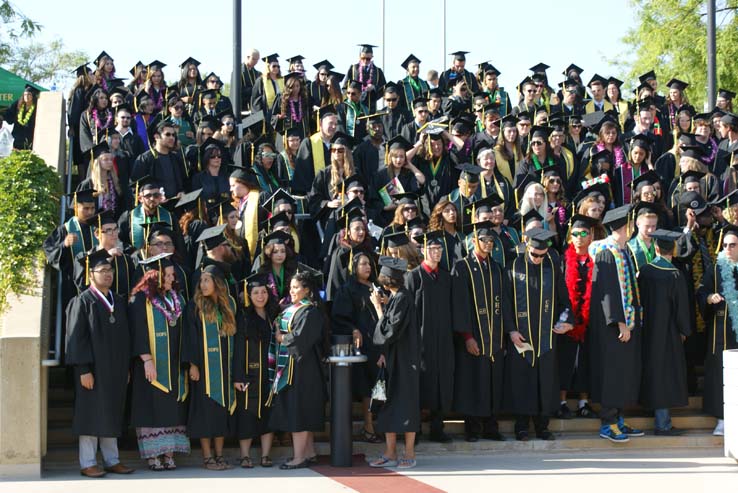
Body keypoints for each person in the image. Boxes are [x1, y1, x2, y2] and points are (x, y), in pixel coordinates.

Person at [65, 249, 133, 478]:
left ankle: (112, 460)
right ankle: (88, 462)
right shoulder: (82, 301)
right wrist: (83, 369)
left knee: (112, 411)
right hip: (92, 370)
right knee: (91, 413)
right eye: (102, 271)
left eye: (110, 270)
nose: (108, 274)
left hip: (115, 369)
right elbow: (76, 339)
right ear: (90, 274)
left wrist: (126, 369)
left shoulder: (119, 301)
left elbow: (126, 338)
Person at [504, 228, 573, 441]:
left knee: (545, 380)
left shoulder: (552, 268)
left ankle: (543, 426)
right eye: (534, 254)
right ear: (527, 247)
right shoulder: (513, 267)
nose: (538, 259)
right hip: (521, 337)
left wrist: (567, 322)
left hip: (545, 337)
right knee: (522, 380)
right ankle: (522, 427)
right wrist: (511, 330)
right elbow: (505, 303)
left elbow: (564, 302)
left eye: (542, 255)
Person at [589, 205, 645, 443]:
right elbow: (608, 293)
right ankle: (608, 423)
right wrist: (620, 323)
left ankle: (619, 419)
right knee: (612, 374)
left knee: (622, 373)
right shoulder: (606, 252)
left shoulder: (623, 251)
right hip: (610, 328)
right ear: (627, 226)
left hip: (626, 323)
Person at [129, 253, 189, 471]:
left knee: (171, 406)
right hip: (149, 364)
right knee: (151, 407)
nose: (173, 279)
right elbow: (137, 331)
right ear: (157, 276)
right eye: (169, 275)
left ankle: (169, 453)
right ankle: (154, 455)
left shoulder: (177, 298)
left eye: (173, 275)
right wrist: (146, 360)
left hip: (174, 364)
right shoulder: (140, 300)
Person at [450, 220, 507, 442]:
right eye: (485, 240)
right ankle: (472, 428)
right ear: (474, 241)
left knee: (493, 380)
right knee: (473, 380)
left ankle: (491, 426)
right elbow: (460, 305)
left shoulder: (496, 268)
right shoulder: (462, 267)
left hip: (494, 335)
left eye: (492, 240)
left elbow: (504, 303)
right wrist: (467, 336)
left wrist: (504, 333)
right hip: (473, 336)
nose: (489, 243)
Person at [268, 269, 327, 469]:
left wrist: (281, 338)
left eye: (296, 288)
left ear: (307, 290)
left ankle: (299, 457)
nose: (291, 291)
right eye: (291, 287)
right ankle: (309, 453)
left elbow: (301, 339)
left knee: (299, 411)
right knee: (301, 410)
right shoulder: (296, 308)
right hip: (295, 367)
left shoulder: (310, 311)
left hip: (304, 369)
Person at [182, 263, 238, 471]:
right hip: (204, 368)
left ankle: (220, 455)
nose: (202, 284)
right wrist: (193, 365)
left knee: (221, 411)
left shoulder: (230, 304)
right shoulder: (195, 305)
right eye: (201, 280)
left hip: (225, 368)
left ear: (218, 283)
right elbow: (190, 337)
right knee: (205, 412)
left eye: (207, 280)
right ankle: (208, 457)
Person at [369, 256, 420, 469]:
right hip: (393, 359)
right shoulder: (397, 297)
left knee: (407, 405)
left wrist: (378, 309)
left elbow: (388, 331)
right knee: (388, 406)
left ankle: (409, 453)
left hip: (406, 361)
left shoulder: (403, 299)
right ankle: (390, 453)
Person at [638, 229, 691, 435]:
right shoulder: (675, 274)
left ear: (656, 248)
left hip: (646, 331)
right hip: (668, 333)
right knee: (665, 375)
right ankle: (663, 424)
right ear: (673, 249)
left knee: (652, 371)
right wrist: (684, 330)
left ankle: (654, 415)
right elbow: (682, 308)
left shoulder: (644, 271)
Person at [405, 231, 454, 442]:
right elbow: (407, 310)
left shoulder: (445, 277)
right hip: (420, 339)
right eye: (433, 249)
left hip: (443, 338)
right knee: (420, 383)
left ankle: (437, 427)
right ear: (423, 250)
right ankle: (413, 431)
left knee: (441, 382)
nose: (437, 253)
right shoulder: (413, 276)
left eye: (440, 249)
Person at [331, 251, 382, 442]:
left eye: (369, 264)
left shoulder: (377, 287)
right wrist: (353, 329)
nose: (367, 267)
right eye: (362, 264)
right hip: (364, 344)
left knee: (380, 384)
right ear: (354, 267)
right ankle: (368, 427)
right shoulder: (347, 289)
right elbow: (339, 317)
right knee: (367, 387)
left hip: (380, 342)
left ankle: (380, 425)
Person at [233, 272, 278, 468]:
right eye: (256, 293)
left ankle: (265, 455)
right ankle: (245, 455)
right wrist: (238, 375)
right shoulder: (243, 317)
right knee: (247, 414)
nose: (260, 296)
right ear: (249, 296)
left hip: (269, 374)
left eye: (263, 292)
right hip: (248, 375)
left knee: (268, 413)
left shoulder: (273, 316)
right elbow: (237, 350)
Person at [697, 224, 738, 437]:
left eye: (733, 245)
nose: (728, 249)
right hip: (721, 331)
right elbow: (701, 291)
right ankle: (721, 419)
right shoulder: (715, 269)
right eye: (725, 245)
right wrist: (709, 298)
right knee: (720, 372)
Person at [557, 215, 598, 419]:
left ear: (591, 236)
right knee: (564, 360)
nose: (579, 237)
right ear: (570, 237)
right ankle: (562, 401)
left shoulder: (597, 259)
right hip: (566, 318)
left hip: (589, 318)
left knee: (587, 361)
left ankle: (584, 403)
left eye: (584, 233)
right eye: (575, 234)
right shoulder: (563, 260)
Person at [131, 121, 188, 202]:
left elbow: (184, 181)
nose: (172, 138)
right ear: (157, 136)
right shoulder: (145, 159)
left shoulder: (176, 158)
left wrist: (182, 192)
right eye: (167, 134)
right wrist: (154, 198)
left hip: (176, 206)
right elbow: (135, 187)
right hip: (154, 208)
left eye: (173, 135)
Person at [343, 44, 387, 114]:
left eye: (368, 59)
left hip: (371, 107)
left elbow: (384, 89)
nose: (365, 61)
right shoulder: (353, 69)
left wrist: (374, 88)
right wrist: (351, 97)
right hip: (354, 107)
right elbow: (344, 88)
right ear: (360, 56)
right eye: (363, 58)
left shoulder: (378, 71)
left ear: (372, 57)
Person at [3, 84, 39, 150]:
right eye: (25, 95)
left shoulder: (38, 107)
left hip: (30, 137)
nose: (26, 97)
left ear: (33, 96)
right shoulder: (18, 104)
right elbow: (9, 113)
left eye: (29, 95)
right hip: (17, 136)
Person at [241, 48, 262, 113]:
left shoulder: (257, 73)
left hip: (255, 106)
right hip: (242, 106)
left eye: (257, 60)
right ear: (247, 57)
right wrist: (253, 90)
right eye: (254, 59)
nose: (255, 61)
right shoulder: (238, 72)